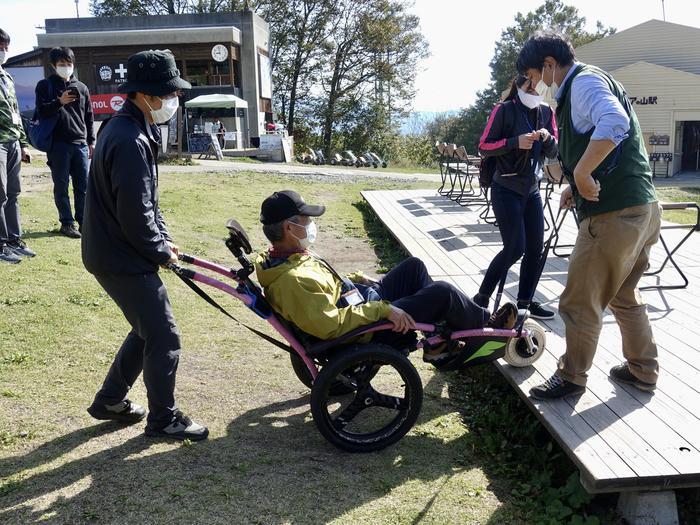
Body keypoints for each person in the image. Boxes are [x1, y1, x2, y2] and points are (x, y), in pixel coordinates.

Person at [515, 33, 660, 399]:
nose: (533, 85)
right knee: (625, 294)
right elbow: (609, 141)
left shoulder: (582, 83)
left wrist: (581, 174)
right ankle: (643, 369)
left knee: (579, 300)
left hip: (614, 214)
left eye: (533, 75)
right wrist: (576, 185)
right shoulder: (592, 80)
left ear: (549, 65)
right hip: (642, 207)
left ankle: (571, 376)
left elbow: (614, 122)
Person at [82, 50, 208, 441]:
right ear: (146, 94)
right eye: (169, 93)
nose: (173, 100)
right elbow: (135, 214)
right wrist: (159, 250)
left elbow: (149, 202)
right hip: (119, 256)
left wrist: (165, 241)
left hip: (116, 251)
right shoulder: (129, 138)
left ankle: (110, 401)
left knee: (146, 329)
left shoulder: (129, 127)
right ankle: (164, 419)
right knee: (163, 335)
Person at [254, 190, 518, 364]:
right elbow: (328, 326)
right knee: (443, 292)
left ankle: (438, 343)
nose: (310, 225)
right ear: (289, 228)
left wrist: (358, 278)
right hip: (362, 330)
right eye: (305, 220)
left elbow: (325, 289)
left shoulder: (286, 258)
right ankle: (485, 330)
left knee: (414, 267)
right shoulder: (292, 279)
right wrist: (382, 310)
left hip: (359, 304)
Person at [475, 75, 559, 320]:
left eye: (538, 85)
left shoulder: (546, 112)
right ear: (519, 85)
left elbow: (555, 149)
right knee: (514, 248)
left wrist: (546, 138)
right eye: (529, 85)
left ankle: (525, 303)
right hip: (505, 189)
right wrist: (514, 142)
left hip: (532, 190)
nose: (534, 89)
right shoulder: (504, 110)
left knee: (535, 249)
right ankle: (482, 297)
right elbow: (483, 146)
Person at [35, 47, 95, 239]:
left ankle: (85, 222)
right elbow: (42, 111)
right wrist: (59, 102)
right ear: (53, 65)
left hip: (80, 144)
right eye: (62, 64)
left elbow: (89, 116)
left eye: (69, 64)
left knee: (83, 186)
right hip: (58, 144)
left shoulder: (82, 87)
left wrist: (91, 141)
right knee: (61, 186)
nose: (66, 67)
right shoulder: (45, 86)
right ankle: (66, 223)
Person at [0, 28, 35, 264]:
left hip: (12, 141)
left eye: (5, 47)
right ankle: (1, 244)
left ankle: (14, 239)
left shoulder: (7, 77)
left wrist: (23, 143)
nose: (3, 51)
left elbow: (15, 113)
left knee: (13, 193)